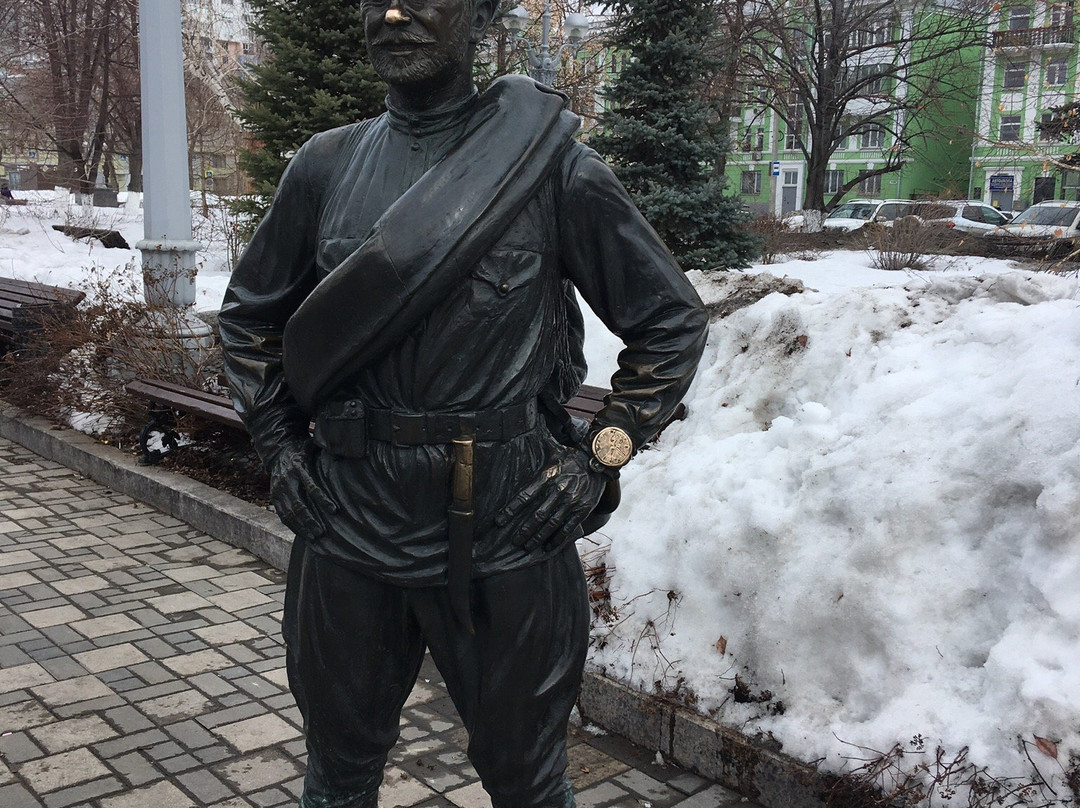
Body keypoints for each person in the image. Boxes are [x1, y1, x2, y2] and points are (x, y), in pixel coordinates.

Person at [217, 0, 709, 803]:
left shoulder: (552, 170)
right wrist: (279, 447)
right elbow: (246, 320)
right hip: (349, 508)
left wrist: (601, 458)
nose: (392, 13)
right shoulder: (324, 167)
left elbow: (670, 322)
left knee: (525, 779)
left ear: (479, 17)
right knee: (337, 773)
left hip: (506, 517)